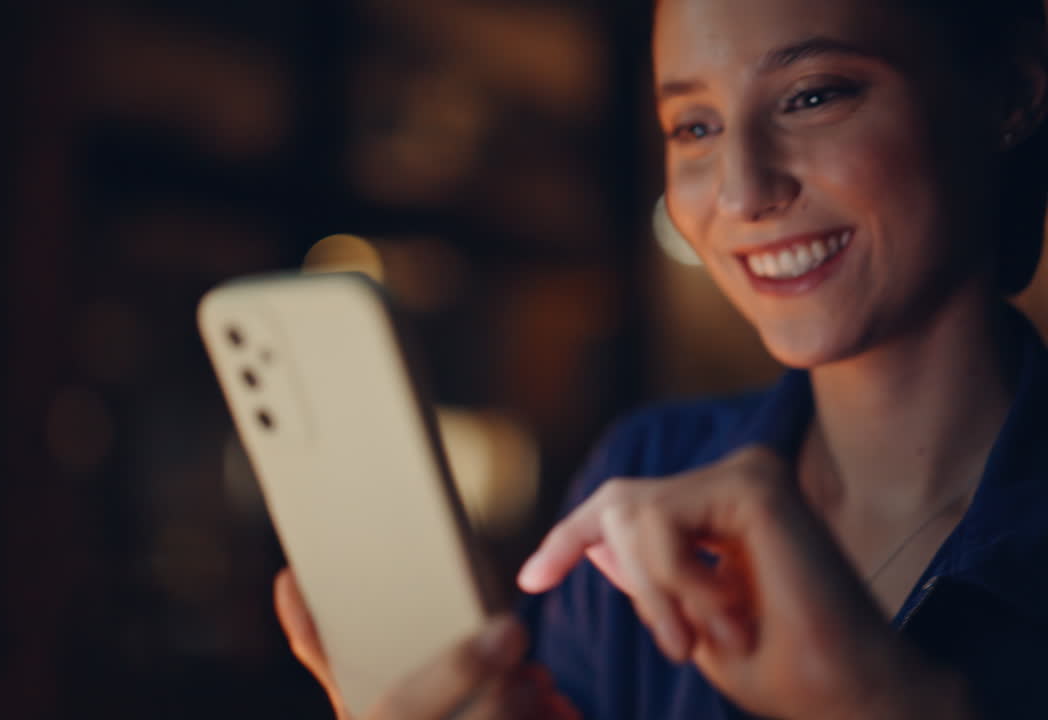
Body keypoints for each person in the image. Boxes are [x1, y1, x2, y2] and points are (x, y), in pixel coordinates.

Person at [275, 0, 1048, 717]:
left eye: (813, 96)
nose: (742, 191)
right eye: (694, 127)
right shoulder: (647, 471)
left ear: (1007, 95)